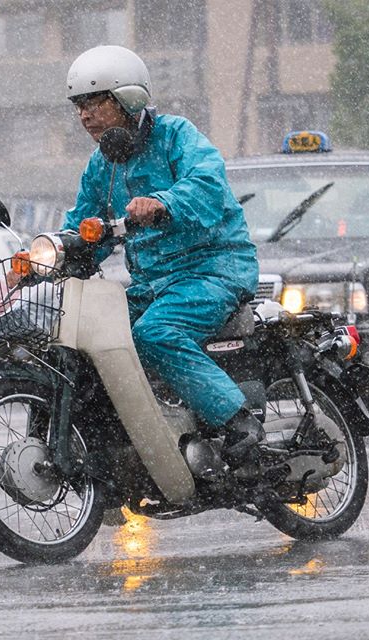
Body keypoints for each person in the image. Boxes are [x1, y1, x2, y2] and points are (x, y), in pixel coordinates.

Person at [66, 45, 263, 466]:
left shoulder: (177, 136)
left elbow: (207, 184)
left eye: (94, 101)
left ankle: (237, 419)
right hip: (154, 283)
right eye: (78, 105)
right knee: (92, 341)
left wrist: (162, 202)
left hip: (212, 269)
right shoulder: (103, 165)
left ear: (128, 98)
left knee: (154, 334)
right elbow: (84, 224)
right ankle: (114, 455)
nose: (85, 115)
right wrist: (50, 251)